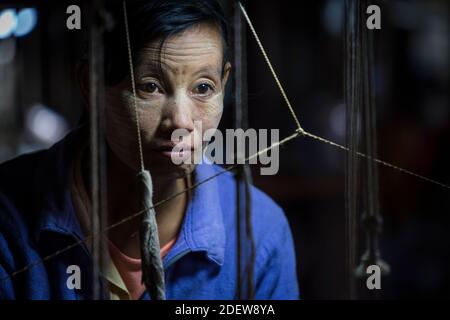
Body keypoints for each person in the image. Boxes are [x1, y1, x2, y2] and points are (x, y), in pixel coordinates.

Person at [0, 0, 299, 300]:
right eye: (151, 86)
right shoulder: (10, 220)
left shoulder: (259, 234)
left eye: (204, 87)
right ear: (91, 86)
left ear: (224, 82)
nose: (181, 121)